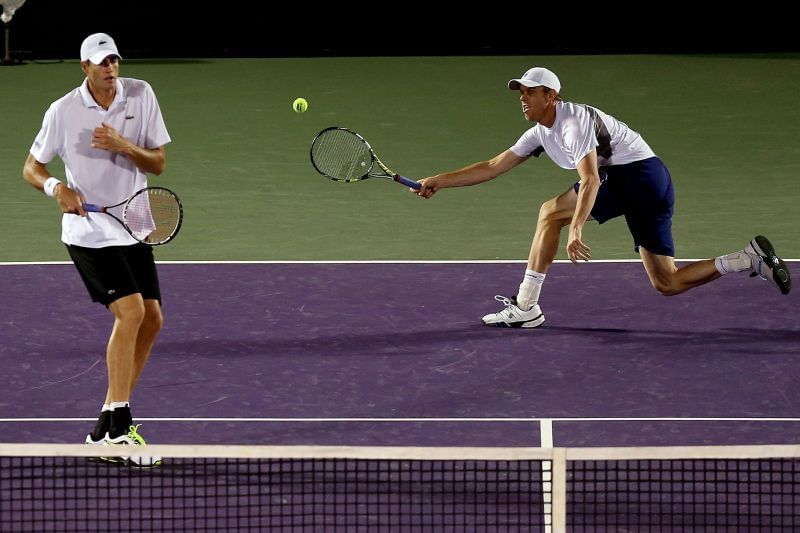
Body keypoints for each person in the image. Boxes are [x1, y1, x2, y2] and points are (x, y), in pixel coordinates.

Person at [415, 66, 791, 328]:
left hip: (636, 177)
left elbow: (592, 179)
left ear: (552, 95)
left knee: (550, 213)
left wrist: (576, 227)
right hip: (652, 182)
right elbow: (494, 165)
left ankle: (526, 305)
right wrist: (440, 180)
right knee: (668, 282)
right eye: (521, 92)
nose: (523, 98)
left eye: (531, 92)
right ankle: (746, 259)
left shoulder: (573, 121)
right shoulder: (539, 134)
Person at [23, 33, 170, 465]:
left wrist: (124, 145)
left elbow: (158, 162)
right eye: (101, 62)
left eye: (114, 61)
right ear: (84, 68)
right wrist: (56, 187)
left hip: (135, 220)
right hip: (89, 229)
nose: (110, 68)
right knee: (132, 312)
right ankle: (119, 430)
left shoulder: (141, 95)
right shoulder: (63, 111)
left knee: (153, 319)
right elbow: (31, 166)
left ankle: (107, 424)